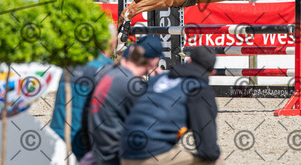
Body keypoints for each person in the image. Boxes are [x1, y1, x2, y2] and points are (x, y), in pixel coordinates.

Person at [120, 46, 224, 165]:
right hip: (148, 154)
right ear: (212, 72)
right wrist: (215, 154)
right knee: (215, 162)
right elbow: (208, 149)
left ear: (189, 60)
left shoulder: (158, 79)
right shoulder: (199, 90)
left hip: (123, 149)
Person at [81, 35, 164, 165]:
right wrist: (156, 83)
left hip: (98, 150)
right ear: (153, 62)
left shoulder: (109, 72)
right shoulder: (132, 86)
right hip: (115, 157)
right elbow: (156, 120)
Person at [50, 26, 117, 160]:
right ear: (111, 41)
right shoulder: (107, 69)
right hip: (83, 145)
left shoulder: (71, 64)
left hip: (57, 139)